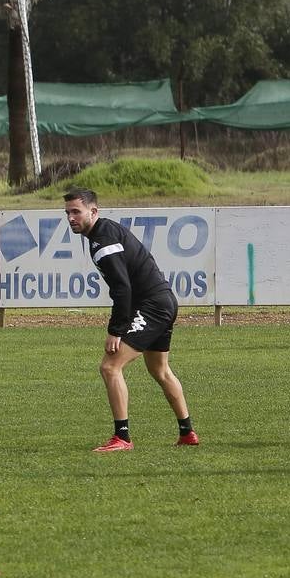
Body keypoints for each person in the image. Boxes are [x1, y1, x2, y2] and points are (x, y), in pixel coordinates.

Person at [64, 187, 200, 452]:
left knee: (110, 367)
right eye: (68, 212)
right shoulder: (104, 231)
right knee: (159, 370)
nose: (71, 218)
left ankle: (122, 438)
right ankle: (187, 433)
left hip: (152, 306)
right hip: (162, 302)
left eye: (76, 212)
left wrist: (116, 330)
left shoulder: (102, 240)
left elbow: (122, 288)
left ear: (94, 211)